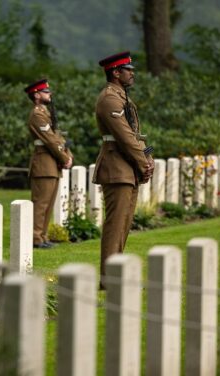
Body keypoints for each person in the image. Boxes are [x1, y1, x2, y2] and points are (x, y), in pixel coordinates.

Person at [93, 51, 154, 287]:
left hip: (127, 167)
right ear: (116, 73)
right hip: (117, 167)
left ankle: (115, 272)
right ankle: (108, 278)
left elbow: (136, 134)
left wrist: (148, 158)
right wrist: (142, 162)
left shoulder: (123, 98)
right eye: (128, 70)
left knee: (125, 223)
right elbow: (125, 136)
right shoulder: (110, 98)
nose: (132, 74)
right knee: (116, 224)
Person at [24, 79, 73, 248]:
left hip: (52, 163)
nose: (49, 94)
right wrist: (64, 158)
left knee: (49, 203)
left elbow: (59, 138)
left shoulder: (46, 113)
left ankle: (42, 236)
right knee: (41, 204)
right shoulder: (37, 114)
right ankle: (35, 237)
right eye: (45, 92)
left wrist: (68, 154)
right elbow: (51, 141)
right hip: (44, 164)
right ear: (37, 95)